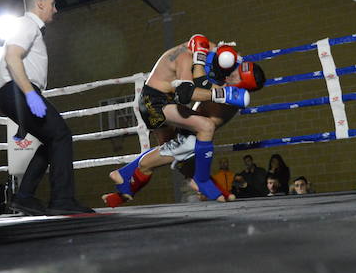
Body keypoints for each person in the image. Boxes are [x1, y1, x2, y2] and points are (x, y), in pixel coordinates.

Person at [105, 35, 265, 206]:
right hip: (155, 103)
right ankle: (201, 180)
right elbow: (186, 94)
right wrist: (222, 94)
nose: (230, 75)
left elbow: (210, 69)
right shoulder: (186, 59)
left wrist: (228, 85)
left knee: (176, 150)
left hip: (166, 100)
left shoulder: (214, 53)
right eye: (234, 74)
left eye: (236, 74)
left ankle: (125, 189)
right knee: (202, 130)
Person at [0, 0, 93, 216]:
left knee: (52, 140)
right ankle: (62, 199)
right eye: (52, 4)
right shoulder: (27, 24)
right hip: (18, 91)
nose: (55, 10)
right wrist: (30, 94)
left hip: (16, 91)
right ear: (40, 4)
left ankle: (24, 197)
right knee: (61, 135)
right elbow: (12, 56)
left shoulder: (29, 27)